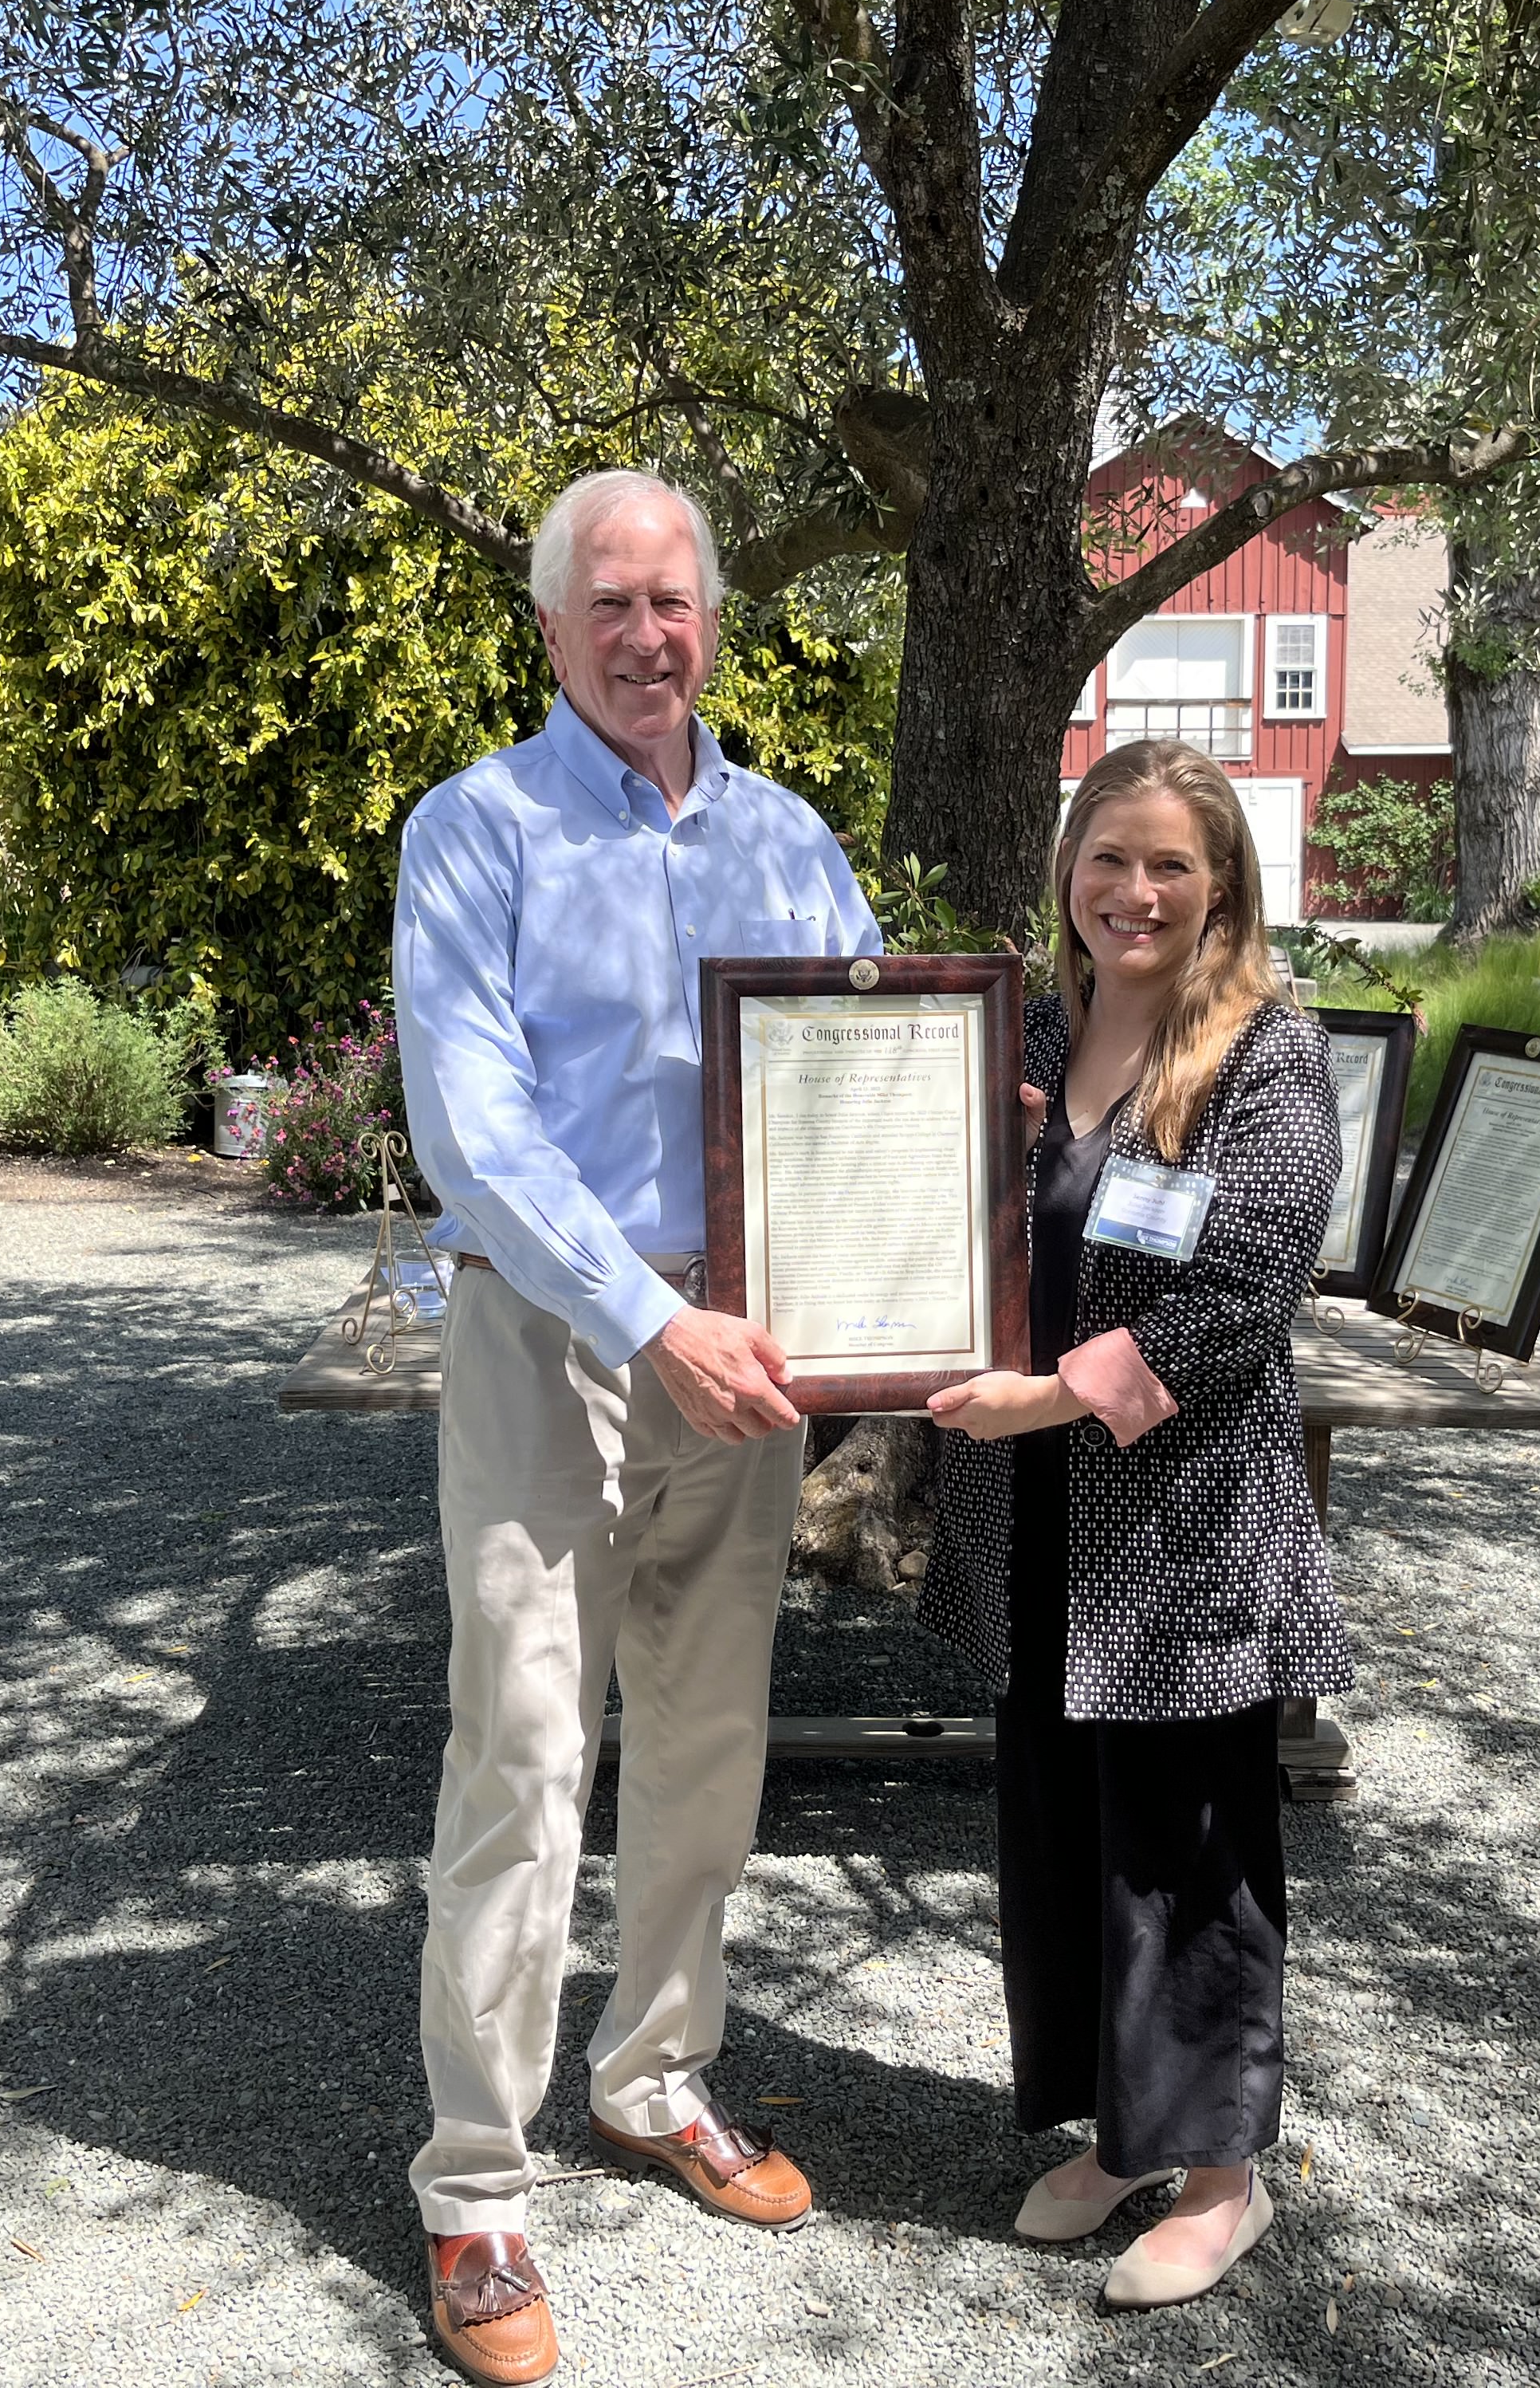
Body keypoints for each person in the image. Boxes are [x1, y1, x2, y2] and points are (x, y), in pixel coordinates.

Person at [392, 469, 879, 2384]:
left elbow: (856, 1056)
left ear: (710, 621)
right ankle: (476, 2190)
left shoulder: (785, 837)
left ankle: (655, 2074)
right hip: (555, 1339)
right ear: (550, 629)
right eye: (612, 604)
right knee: (521, 1760)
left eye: (676, 603)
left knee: (708, 1741)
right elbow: (473, 1132)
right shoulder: (478, 831)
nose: (649, 636)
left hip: (739, 1349)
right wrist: (652, 1318)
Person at [922, 738, 1348, 2311]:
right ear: (1069, 874)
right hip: (1036, 1531)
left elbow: (1247, 1283)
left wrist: (1056, 1395)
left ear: (1222, 882)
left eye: (1170, 863)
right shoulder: (1035, 1024)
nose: (1135, 891)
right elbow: (951, 1207)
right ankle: (1122, 2135)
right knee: (1064, 1830)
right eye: (1109, 859)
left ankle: (1221, 2174)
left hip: (1180, 1534)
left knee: (1188, 1843)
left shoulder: (1264, 1049)